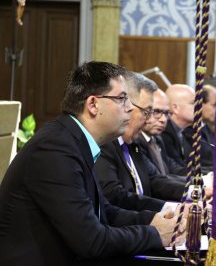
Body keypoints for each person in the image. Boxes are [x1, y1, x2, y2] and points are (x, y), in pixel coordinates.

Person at [0, 62, 183, 265]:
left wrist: (153, 219)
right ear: (93, 104)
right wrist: (155, 234)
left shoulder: (72, 139)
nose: (130, 107)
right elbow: (92, 241)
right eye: (122, 98)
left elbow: (103, 211)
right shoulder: (54, 148)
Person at [95, 72, 187, 203]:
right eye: (147, 112)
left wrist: (195, 191)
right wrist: (163, 213)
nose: (148, 120)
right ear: (127, 107)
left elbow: (155, 180)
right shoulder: (104, 144)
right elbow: (116, 197)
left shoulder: (134, 144)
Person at [161, 84, 195, 168]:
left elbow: (191, 165)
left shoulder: (186, 132)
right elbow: (176, 169)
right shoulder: (163, 132)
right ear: (175, 108)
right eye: (193, 103)